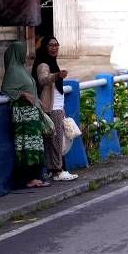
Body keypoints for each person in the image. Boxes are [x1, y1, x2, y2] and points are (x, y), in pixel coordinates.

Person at [2, 42, 50, 189]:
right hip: (23, 117)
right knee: (27, 146)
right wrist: (23, 94)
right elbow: (6, 89)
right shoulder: (13, 71)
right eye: (23, 51)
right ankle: (30, 179)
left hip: (31, 115)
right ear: (17, 53)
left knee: (35, 144)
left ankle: (35, 176)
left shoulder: (21, 69)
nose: (26, 54)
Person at [32, 36, 78, 182]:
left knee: (53, 140)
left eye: (56, 45)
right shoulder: (43, 64)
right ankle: (58, 171)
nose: (54, 48)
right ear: (45, 47)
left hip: (57, 107)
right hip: (51, 108)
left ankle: (54, 170)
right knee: (56, 141)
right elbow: (43, 80)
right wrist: (57, 75)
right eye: (51, 45)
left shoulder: (52, 63)